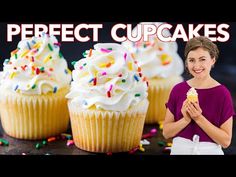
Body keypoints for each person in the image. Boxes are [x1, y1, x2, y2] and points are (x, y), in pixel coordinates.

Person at [162, 36, 235, 155]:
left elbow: (225, 141)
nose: (196, 65)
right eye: (191, 60)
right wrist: (185, 120)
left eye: (202, 59)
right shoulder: (178, 89)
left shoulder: (222, 94)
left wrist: (198, 118)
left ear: (213, 60)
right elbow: (166, 133)